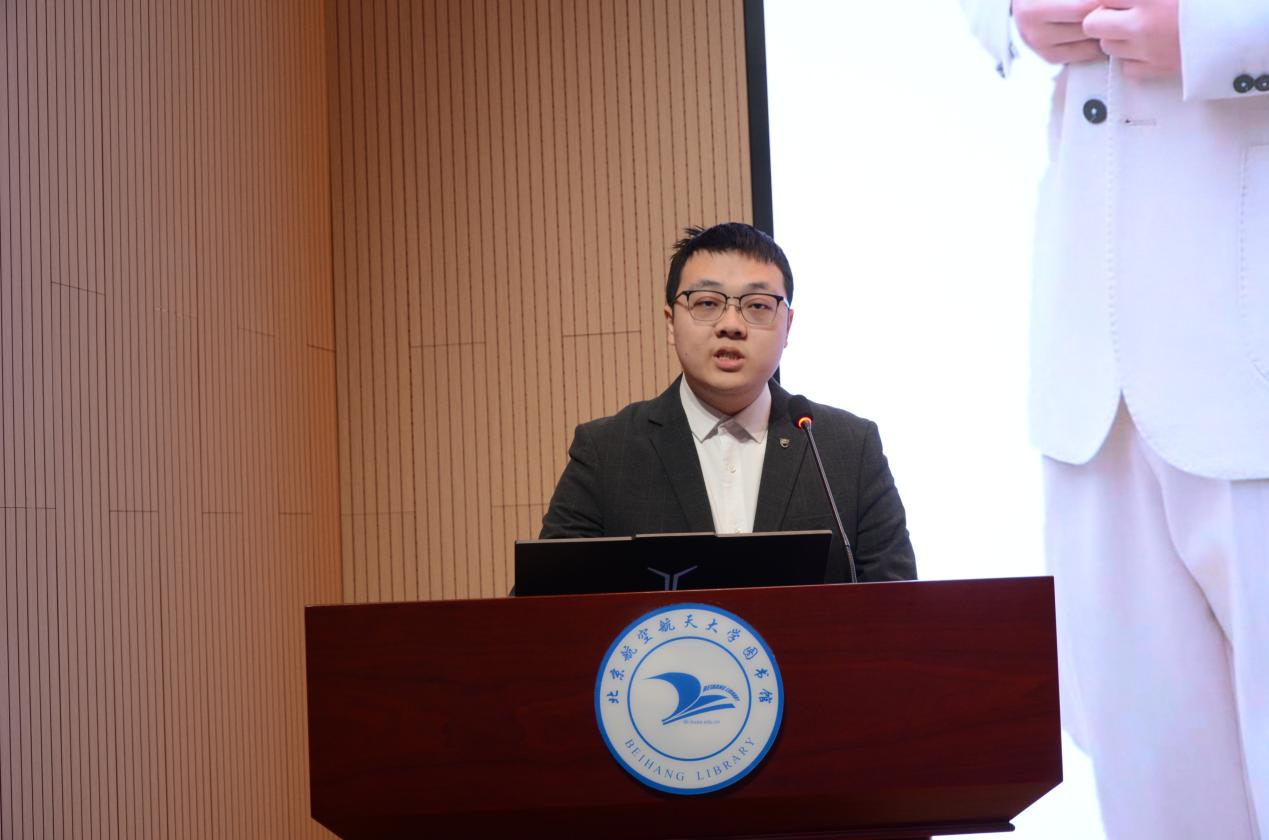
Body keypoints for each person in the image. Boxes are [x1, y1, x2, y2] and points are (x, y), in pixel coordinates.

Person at [961, 0, 1269, 836]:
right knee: (1145, 772)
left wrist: (1216, 32)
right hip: (1088, 377)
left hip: (1246, 350)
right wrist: (1010, 12)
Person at [540, 222, 916, 584]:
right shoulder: (607, 453)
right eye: (707, 302)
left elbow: (899, 606)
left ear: (787, 326)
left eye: (757, 305)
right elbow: (541, 606)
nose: (731, 324)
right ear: (671, 323)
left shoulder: (848, 448)